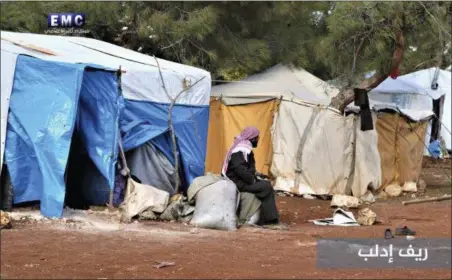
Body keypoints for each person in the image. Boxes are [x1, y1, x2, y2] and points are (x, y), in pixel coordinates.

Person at [222, 126, 287, 230]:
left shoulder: (245, 149)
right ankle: (271, 221)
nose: (258, 140)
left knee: (264, 184)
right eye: (257, 138)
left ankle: (264, 218)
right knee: (266, 187)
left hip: (241, 180)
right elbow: (240, 169)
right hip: (236, 182)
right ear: (252, 138)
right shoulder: (240, 150)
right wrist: (252, 180)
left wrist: (257, 175)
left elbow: (246, 168)